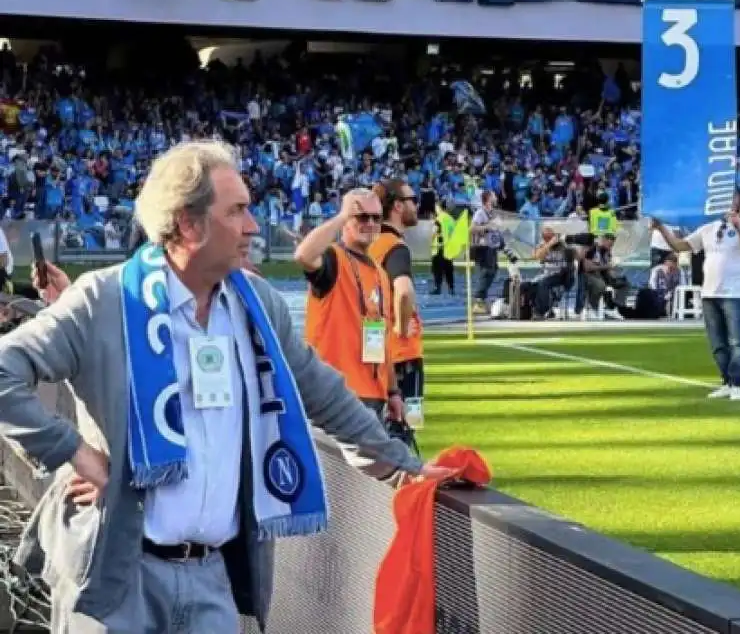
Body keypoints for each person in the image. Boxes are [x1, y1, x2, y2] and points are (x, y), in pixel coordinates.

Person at [0, 141, 450, 634]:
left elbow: (323, 392)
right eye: (236, 211)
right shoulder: (103, 300)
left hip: (211, 582)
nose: (253, 226)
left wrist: (404, 466)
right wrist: (76, 453)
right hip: (115, 580)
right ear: (188, 223)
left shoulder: (256, 303)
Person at [294, 188, 403, 421]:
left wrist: (393, 391)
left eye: (376, 217)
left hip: (373, 394)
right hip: (333, 393)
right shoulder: (334, 259)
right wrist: (342, 216)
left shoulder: (379, 272)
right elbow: (303, 255)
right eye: (362, 217)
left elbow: (382, 338)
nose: (371, 223)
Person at [652, 209, 740, 401]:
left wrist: (738, 225)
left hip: (734, 293)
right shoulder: (707, 228)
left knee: (737, 342)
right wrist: (661, 228)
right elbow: (680, 246)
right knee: (717, 343)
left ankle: (738, 384)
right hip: (709, 293)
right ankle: (727, 381)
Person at [369, 179, 425, 427]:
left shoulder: (370, 245)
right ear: (398, 206)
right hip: (402, 356)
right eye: (412, 199)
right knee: (408, 424)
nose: (417, 205)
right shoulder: (396, 247)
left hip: (374, 352)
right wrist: (401, 327)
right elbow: (403, 291)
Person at [431, 201, 455, 296]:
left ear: (439, 208)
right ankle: (451, 288)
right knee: (449, 269)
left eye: (436, 207)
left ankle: (438, 288)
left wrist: (431, 240)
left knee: (437, 269)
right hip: (449, 247)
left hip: (439, 247)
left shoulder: (439, 218)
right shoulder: (451, 219)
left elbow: (434, 231)